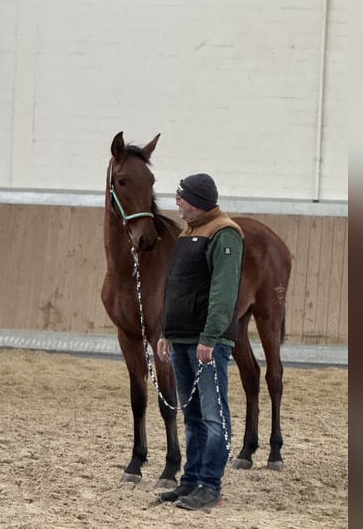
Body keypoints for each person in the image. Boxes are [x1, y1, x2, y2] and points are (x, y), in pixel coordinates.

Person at [156, 173, 244, 510]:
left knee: (212, 415)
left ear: (196, 200)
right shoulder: (188, 233)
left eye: (181, 198)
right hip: (180, 339)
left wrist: (210, 337)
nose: (176, 203)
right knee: (191, 415)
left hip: (206, 342)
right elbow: (176, 287)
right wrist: (167, 331)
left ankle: (211, 486)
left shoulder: (224, 233)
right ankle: (190, 480)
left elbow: (223, 291)